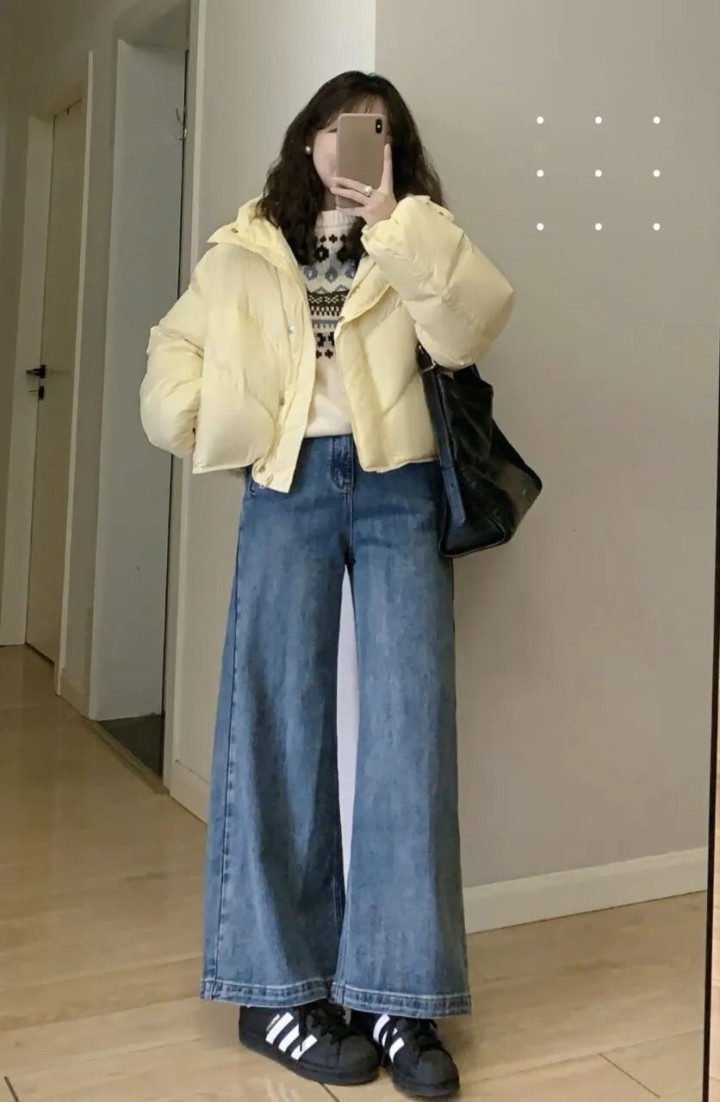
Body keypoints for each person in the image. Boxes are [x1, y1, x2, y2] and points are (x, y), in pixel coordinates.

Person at [140, 70, 514, 1100]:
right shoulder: (249, 244)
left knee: (409, 733)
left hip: (400, 488)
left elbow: (472, 328)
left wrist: (393, 219)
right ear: (306, 139)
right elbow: (174, 346)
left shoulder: (418, 232)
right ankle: (278, 988)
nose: (349, 145)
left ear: (393, 147)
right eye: (334, 128)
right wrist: (215, 422)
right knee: (274, 721)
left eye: (373, 132)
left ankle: (399, 994)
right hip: (289, 488)